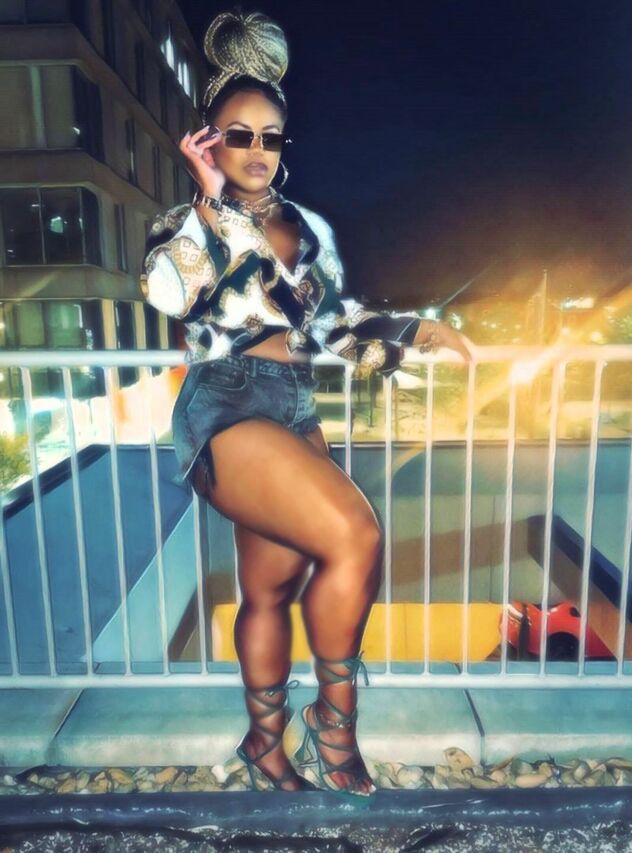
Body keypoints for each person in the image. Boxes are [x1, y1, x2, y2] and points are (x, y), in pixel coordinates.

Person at [141, 9, 474, 797]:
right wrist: (210, 205)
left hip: (294, 407)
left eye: (271, 136)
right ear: (209, 141)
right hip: (226, 407)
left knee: (269, 589)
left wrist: (415, 331)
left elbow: (335, 327)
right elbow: (168, 294)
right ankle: (334, 728)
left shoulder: (308, 228)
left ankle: (264, 744)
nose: (257, 149)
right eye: (239, 134)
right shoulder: (185, 222)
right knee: (356, 534)